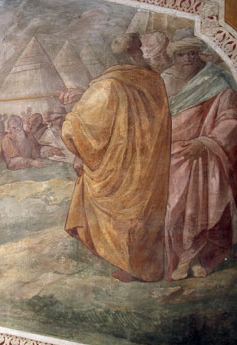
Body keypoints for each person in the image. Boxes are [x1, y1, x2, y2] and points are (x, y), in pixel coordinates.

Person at [60, 32, 171, 283]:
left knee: (122, 211)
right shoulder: (154, 81)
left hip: (120, 166)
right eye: (141, 50)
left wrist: (74, 107)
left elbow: (76, 128)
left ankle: (128, 265)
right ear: (136, 52)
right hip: (149, 162)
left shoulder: (108, 85)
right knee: (143, 211)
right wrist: (84, 94)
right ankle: (145, 266)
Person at [162, 38, 237, 280]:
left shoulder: (216, 82)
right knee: (175, 209)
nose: (188, 59)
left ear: (199, 55)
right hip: (172, 156)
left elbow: (230, 119)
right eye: (182, 54)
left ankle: (198, 259)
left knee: (203, 208)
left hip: (205, 156)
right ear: (174, 58)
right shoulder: (164, 81)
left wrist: (204, 143)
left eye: (192, 53)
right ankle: (181, 257)